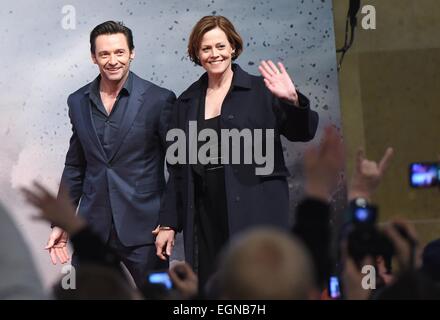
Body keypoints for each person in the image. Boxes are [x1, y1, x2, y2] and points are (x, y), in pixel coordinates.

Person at [155, 15, 319, 288]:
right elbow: (179, 171)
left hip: (258, 209)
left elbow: (304, 132)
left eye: (220, 46)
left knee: (260, 285)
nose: (214, 54)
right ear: (197, 53)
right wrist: (168, 223)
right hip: (206, 215)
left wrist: (293, 99)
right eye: (206, 48)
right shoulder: (186, 101)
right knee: (214, 287)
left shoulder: (261, 90)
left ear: (233, 46)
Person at [46, 21, 176, 288]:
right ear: (94, 57)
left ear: (132, 53)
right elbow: (75, 166)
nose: (113, 60)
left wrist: (169, 223)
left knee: (161, 296)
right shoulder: (77, 101)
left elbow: (178, 168)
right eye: (104, 54)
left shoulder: (159, 99)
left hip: (146, 231)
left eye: (119, 52)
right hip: (92, 229)